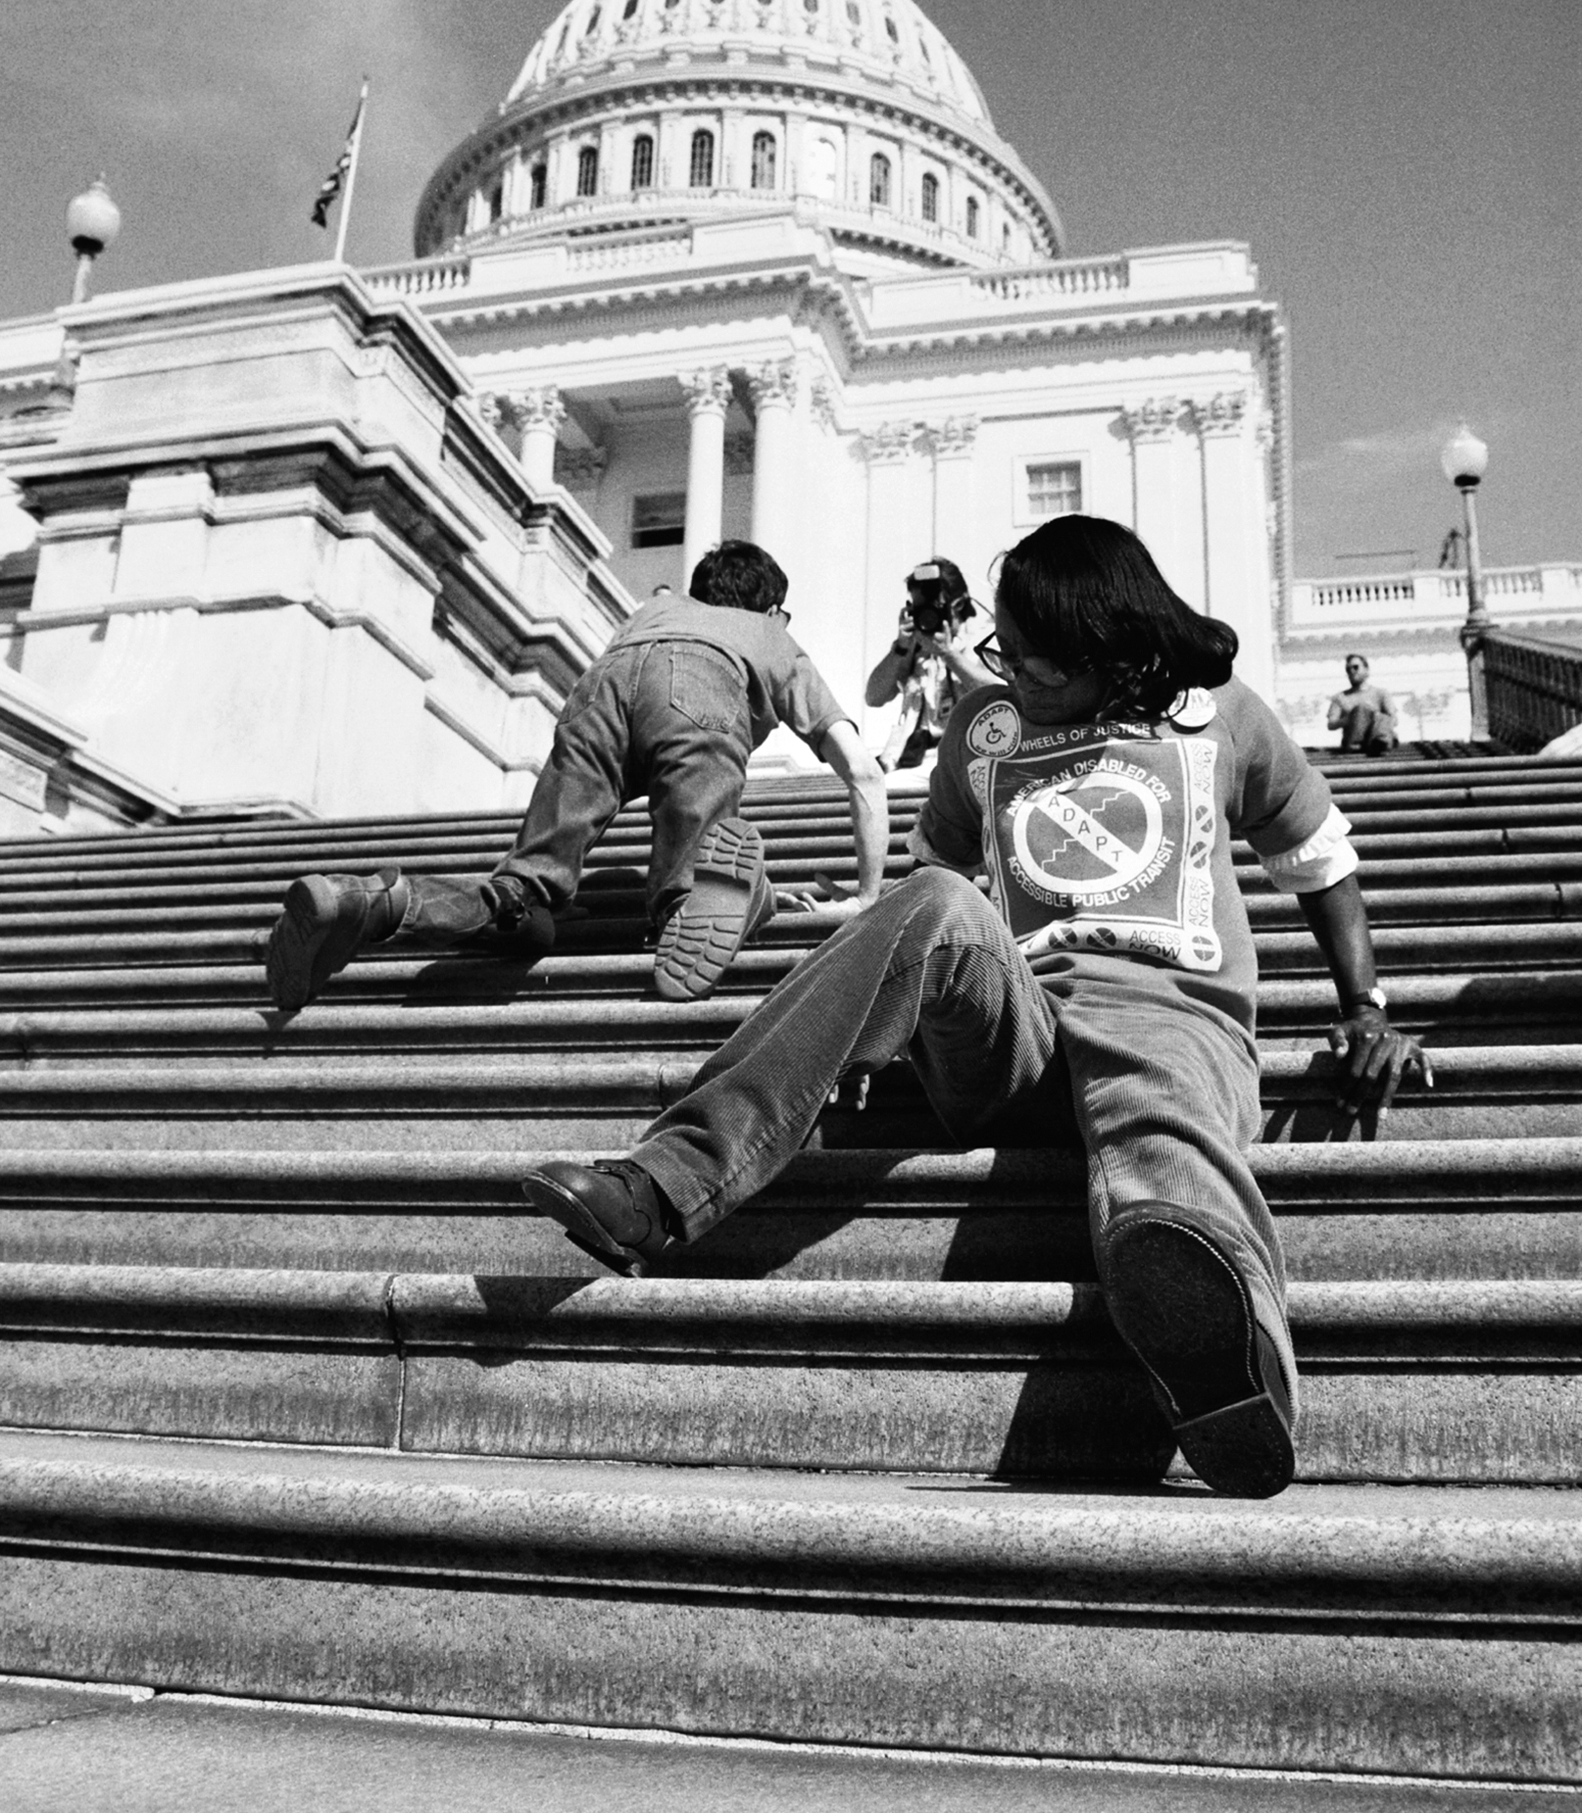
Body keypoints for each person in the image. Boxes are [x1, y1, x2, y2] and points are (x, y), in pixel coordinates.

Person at [524, 516, 1431, 1502]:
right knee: (934, 899)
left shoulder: (1215, 719)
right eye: (1002, 647)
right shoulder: (983, 729)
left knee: (1164, 1142)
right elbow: (935, 889)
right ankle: (664, 1183)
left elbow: (1321, 858)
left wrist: (1367, 1006)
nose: (1008, 674)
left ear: (1118, 657)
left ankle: (1226, 1372)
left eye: (1037, 664)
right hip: (1019, 1034)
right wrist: (870, 1025)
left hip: (1169, 1015)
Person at [265, 539, 889, 1011]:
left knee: (522, 902)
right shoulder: (767, 634)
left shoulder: (652, 612)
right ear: (777, 610)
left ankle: (368, 902)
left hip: (600, 691)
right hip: (701, 693)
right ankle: (714, 896)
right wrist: (866, 895)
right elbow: (862, 772)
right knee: (690, 884)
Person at [864, 557, 997, 772]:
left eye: (934, 608)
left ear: (959, 604)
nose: (927, 616)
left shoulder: (983, 640)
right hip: (911, 759)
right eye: (919, 608)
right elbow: (873, 697)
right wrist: (900, 648)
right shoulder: (914, 648)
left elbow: (999, 693)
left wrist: (949, 655)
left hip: (966, 758)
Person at [1328, 653, 1399, 755]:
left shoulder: (1381, 693)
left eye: (1356, 667)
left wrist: (1374, 716)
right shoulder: (1340, 697)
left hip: (1377, 736)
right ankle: (1381, 740)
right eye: (1348, 669)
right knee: (1360, 710)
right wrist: (1351, 718)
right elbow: (1331, 724)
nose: (1352, 671)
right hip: (1354, 741)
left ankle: (1380, 741)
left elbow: (1394, 720)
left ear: (1366, 670)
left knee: (1381, 717)